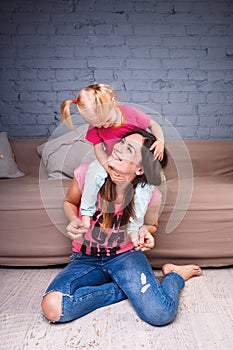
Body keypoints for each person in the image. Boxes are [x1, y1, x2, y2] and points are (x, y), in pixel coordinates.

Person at [41, 129, 202, 326]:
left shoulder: (150, 195)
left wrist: (144, 232)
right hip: (85, 259)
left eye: (129, 149)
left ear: (141, 169)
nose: (118, 148)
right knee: (54, 306)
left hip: (125, 257)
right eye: (122, 142)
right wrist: (73, 218)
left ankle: (176, 276)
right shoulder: (87, 173)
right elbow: (69, 202)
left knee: (161, 314)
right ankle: (132, 289)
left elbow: (151, 225)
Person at [60, 83, 166, 233]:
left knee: (146, 187)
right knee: (93, 171)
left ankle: (134, 228)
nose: (103, 127)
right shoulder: (97, 126)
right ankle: (86, 213)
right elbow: (98, 149)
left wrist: (160, 141)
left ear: (113, 103)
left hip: (135, 160)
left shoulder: (130, 114)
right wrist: (107, 168)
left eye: (106, 121)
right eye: (98, 125)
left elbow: (154, 125)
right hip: (111, 158)